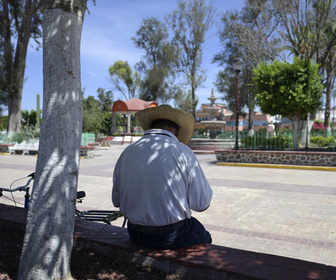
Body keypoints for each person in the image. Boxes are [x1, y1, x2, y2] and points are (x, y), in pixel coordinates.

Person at [112, 105, 213, 249]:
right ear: (177, 131)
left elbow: (116, 201)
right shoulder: (184, 152)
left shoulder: (127, 152)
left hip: (134, 232)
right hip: (169, 235)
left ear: (150, 127)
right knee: (204, 235)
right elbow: (202, 204)